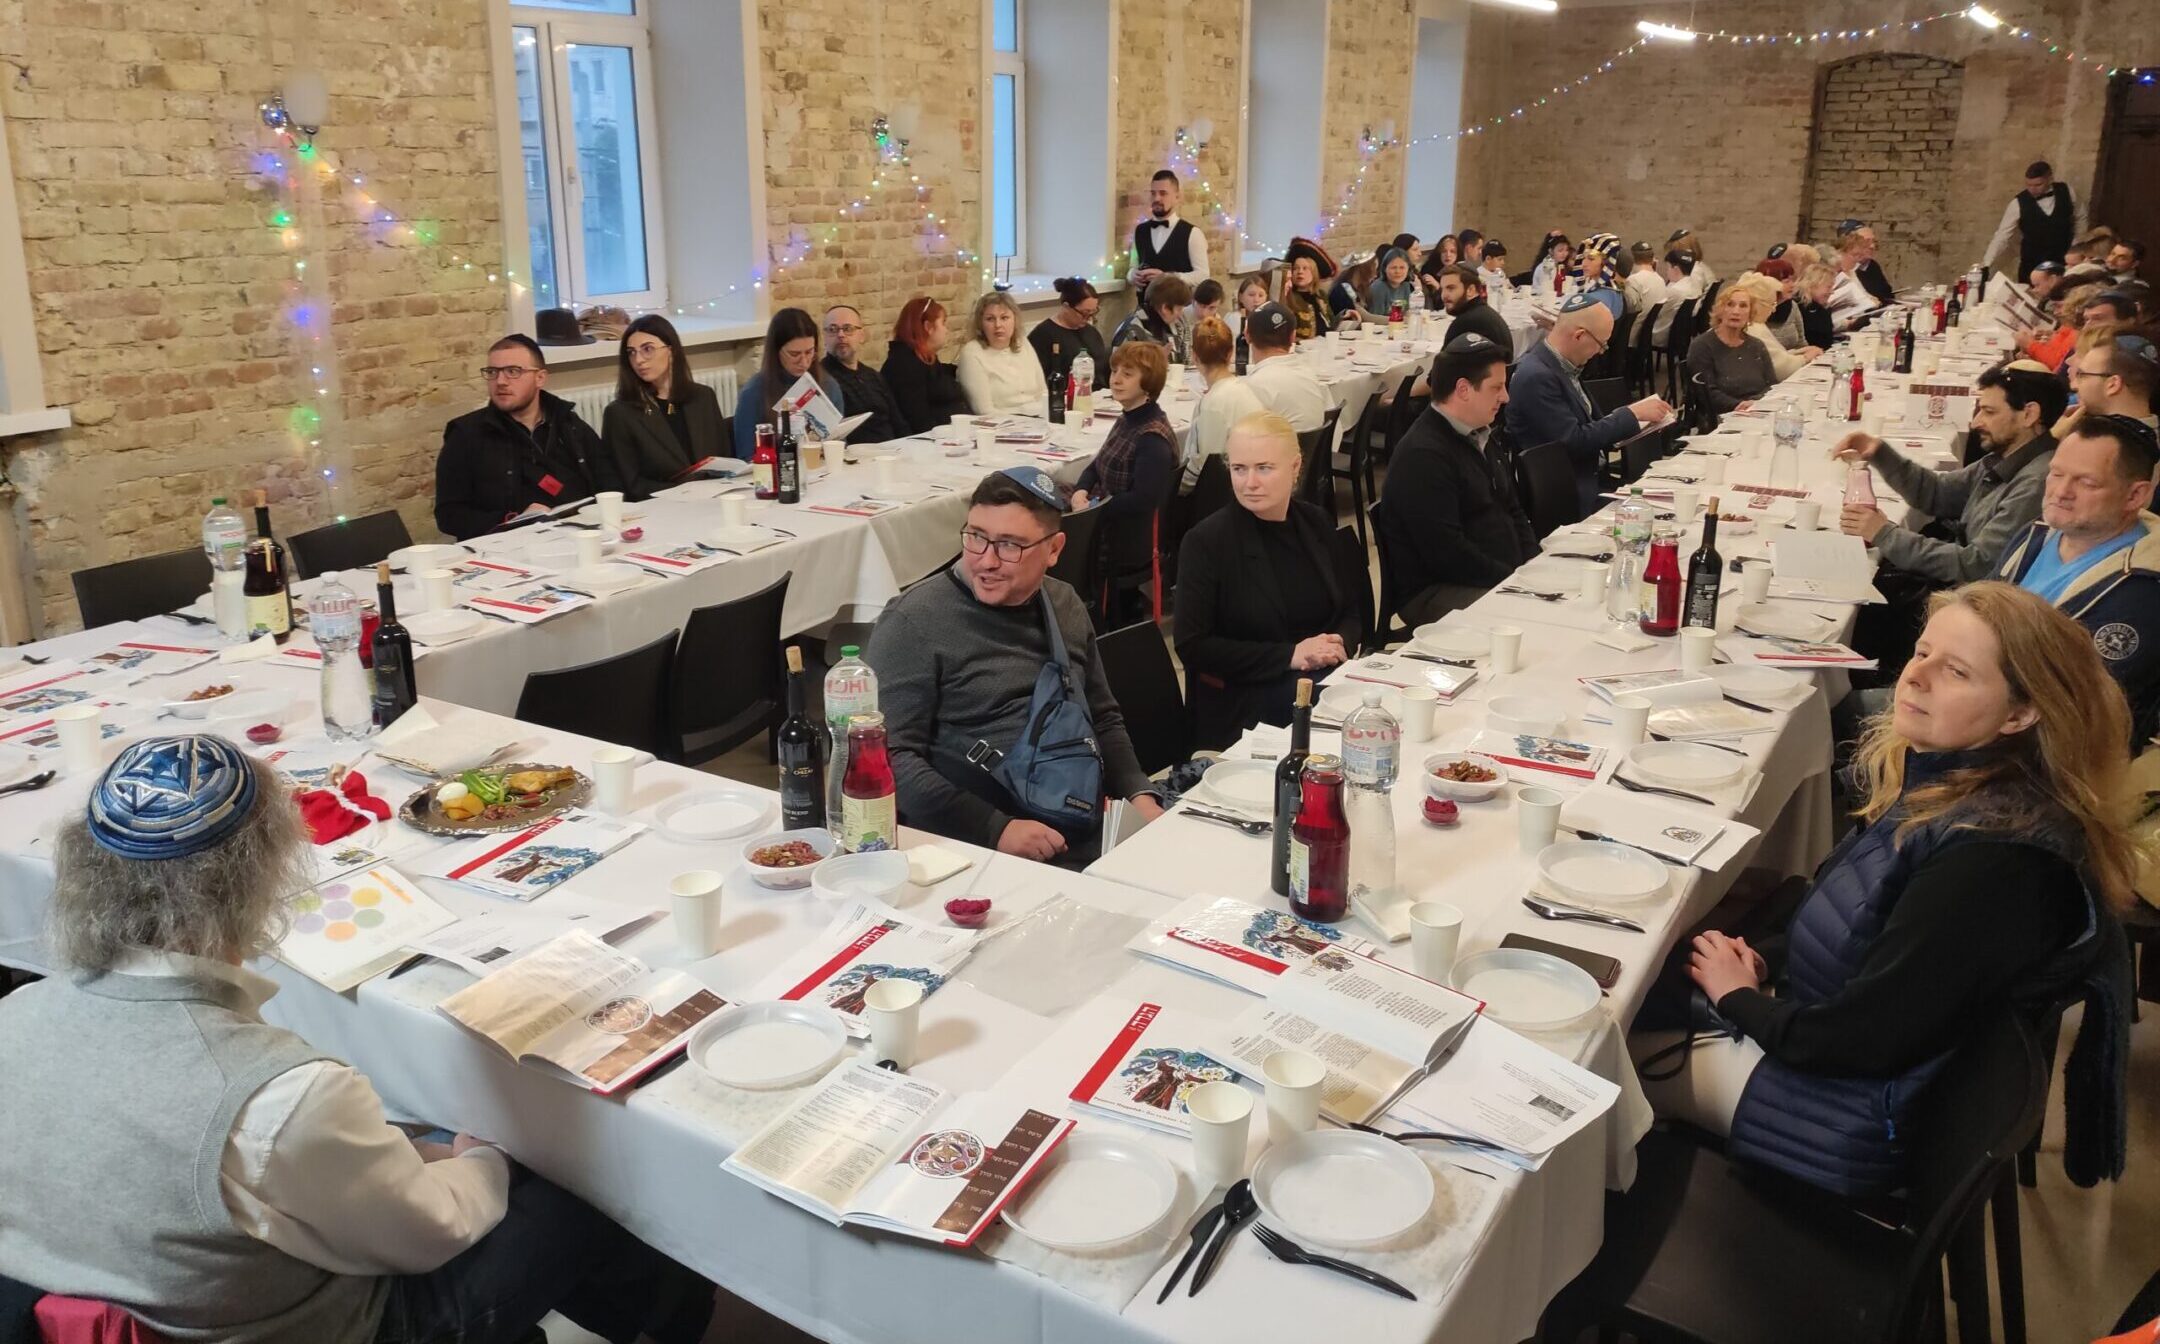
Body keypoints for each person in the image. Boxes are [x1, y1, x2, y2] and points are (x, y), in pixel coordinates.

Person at [0, 735, 716, 1344]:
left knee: (438, 1143)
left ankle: (642, 1307)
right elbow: (434, 1229)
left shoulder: (17, 1017)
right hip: (320, 1325)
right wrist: (486, 1157)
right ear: (263, 874)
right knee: (584, 1172)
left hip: (122, 1295)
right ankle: (674, 1316)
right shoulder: (279, 1097)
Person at [1639, 583, 2130, 1199]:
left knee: (1602, 1058)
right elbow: (1861, 923)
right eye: (1921, 652)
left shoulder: (1996, 863)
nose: (1916, 677)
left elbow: (1859, 1040)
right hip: (1846, 1056)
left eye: (1954, 671)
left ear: (2020, 714)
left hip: (1854, 1118)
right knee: (1642, 980)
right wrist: (1772, 959)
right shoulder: (1956, 789)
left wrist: (1740, 998)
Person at [863, 468, 1164, 865]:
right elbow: (887, 758)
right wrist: (995, 829)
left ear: (1054, 549)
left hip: (1080, 824)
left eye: (1009, 545)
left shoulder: (1064, 604)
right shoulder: (913, 622)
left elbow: (1102, 718)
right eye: (975, 537)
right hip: (973, 847)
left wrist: (1139, 795)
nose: (985, 561)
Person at [1174, 412, 1358, 749]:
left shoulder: (1315, 523)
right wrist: (1291, 655)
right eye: (1239, 469)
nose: (1250, 483)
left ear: (1295, 467)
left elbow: (1351, 609)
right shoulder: (1207, 542)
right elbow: (1193, 645)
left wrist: (1337, 643)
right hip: (1244, 699)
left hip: (1316, 679)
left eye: (1264, 468)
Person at [1998, 416, 2160, 746]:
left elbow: (2070, 710)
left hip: (2036, 754)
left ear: (2135, 496)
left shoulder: (2143, 591)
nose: (2061, 492)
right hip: (1980, 705)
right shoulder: (2037, 535)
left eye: (2086, 483)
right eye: (2056, 474)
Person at [1835, 361, 2067, 585]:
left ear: (2029, 414)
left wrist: (1884, 534)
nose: (1976, 423)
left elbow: (1975, 565)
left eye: (1988, 411)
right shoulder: (2007, 456)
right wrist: (1879, 453)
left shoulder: (2037, 482)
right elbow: (1938, 493)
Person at [1373, 332, 1536, 623]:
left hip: (1493, 573)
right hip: (1436, 590)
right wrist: (1515, 580)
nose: (1506, 397)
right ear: (1463, 389)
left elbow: (1513, 509)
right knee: (1531, 618)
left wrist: (1535, 565)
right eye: (1496, 387)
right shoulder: (1423, 457)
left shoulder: (1480, 433)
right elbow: (1447, 554)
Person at [435, 335, 618, 540]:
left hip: (578, 535)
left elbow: (609, 483)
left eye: (513, 372)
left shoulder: (569, 424)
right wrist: (513, 519)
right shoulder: (466, 434)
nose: (501, 381)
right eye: (492, 372)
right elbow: (448, 515)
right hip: (505, 545)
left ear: (540, 378)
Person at [1512, 294, 1672, 516]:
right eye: (1602, 344)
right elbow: (1573, 441)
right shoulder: (1536, 377)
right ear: (1579, 336)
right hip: (1568, 494)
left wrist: (1641, 424)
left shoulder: (1564, 366)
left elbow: (1591, 426)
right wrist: (1630, 415)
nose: (1601, 352)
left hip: (1593, 479)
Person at [1071, 342, 1178, 586]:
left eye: (1127, 374)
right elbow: (1098, 463)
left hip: (1123, 536)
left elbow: (1141, 501)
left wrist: (1093, 507)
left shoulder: (1152, 438)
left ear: (1148, 383)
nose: (1116, 379)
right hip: (1106, 513)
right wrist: (1080, 490)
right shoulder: (1129, 417)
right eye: (1114, 371)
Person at [600, 315, 729, 501]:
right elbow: (631, 485)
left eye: (647, 349)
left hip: (713, 499)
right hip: (660, 507)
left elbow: (723, 459)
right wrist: (686, 493)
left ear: (671, 350)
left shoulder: (703, 397)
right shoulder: (620, 413)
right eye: (631, 352)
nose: (638, 360)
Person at [732, 307, 842, 459]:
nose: (804, 362)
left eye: (809, 352)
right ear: (776, 352)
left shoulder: (828, 385)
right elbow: (746, 457)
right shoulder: (754, 392)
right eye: (794, 354)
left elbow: (840, 444)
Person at [1180, 316, 1265, 493]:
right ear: (1230, 353)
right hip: (1250, 484)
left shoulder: (1212, 405)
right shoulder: (1247, 390)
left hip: (1222, 497)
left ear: (1194, 356)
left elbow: (1203, 468)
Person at [881, 296, 971, 435]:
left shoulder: (925, 359)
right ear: (928, 327)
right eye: (943, 323)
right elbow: (919, 421)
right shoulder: (904, 365)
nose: (946, 330)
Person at [819, 305, 905, 445]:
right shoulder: (822, 379)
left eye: (848, 329)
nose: (841, 335)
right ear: (824, 337)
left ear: (862, 335)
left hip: (891, 453)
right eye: (832, 330)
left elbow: (898, 422)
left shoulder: (874, 376)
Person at [1687, 288, 1779, 418]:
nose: (1736, 311)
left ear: (1750, 314)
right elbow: (1706, 393)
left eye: (1743, 306)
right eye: (1730, 304)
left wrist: (1756, 404)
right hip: (1722, 416)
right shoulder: (1702, 346)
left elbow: (1772, 385)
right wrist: (1739, 405)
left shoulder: (1757, 346)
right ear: (1720, 310)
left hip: (1758, 412)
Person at [956, 290, 1050, 417]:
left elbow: (1043, 393)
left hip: (1039, 418)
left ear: (1014, 320)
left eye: (1004, 318)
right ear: (980, 324)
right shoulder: (972, 353)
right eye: (990, 319)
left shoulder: (1022, 342)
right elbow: (984, 411)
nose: (998, 325)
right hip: (1001, 425)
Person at [1982, 160, 2081, 279]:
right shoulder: (2018, 203)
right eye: (2028, 185)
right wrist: (1986, 264)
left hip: (2063, 261)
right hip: (2032, 265)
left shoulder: (2067, 192)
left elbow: (2081, 218)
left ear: (2050, 179)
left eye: (2038, 185)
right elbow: (2002, 235)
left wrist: (2076, 245)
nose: (2032, 189)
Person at [1241, 302, 1328, 433]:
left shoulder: (1253, 387)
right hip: (1315, 452)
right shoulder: (1309, 375)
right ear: (1293, 336)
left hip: (1275, 452)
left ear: (1247, 335)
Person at [2061, 335, 2160, 437]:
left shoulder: (2105, 445)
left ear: (2113, 385)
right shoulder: (2145, 437)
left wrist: (2051, 439)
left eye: (2081, 375)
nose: (2074, 385)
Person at [1727, 273, 1821, 379]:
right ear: (1760, 304)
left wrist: (1799, 352)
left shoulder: (1755, 325)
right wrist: (1805, 358)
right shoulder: (1752, 328)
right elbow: (1779, 368)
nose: (1773, 309)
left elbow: (1773, 356)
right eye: (1772, 304)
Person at [1029, 278, 1110, 398]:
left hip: (1098, 396)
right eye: (1084, 313)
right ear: (1066, 306)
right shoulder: (1043, 335)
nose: (1088, 318)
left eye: (1093, 313)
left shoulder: (1091, 332)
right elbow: (1038, 378)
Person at [1132, 168, 1210, 289]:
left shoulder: (1192, 233)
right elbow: (1133, 266)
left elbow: (1203, 276)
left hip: (1179, 307)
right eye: (1153, 193)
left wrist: (1169, 278)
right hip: (1145, 305)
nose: (1157, 198)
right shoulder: (1140, 231)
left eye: (1163, 193)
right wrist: (1132, 275)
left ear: (1177, 197)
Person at [1109, 275, 1194, 363]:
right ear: (1165, 308)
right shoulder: (1129, 331)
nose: (1180, 315)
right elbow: (1119, 371)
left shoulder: (1178, 324)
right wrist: (1155, 363)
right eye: (1179, 309)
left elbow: (1187, 362)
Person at [1436, 263, 1513, 359]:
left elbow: (1441, 369)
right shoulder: (1486, 313)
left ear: (1470, 290)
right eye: (1442, 289)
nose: (1444, 295)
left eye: (1451, 288)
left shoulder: (1465, 323)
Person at [1280, 239, 1337, 341]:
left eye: (1305, 268)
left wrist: (1344, 316)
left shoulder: (1321, 296)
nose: (1300, 272)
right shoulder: (1288, 297)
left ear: (1314, 273)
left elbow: (1330, 324)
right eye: (1296, 268)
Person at [1651, 250, 1704, 349]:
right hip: (1680, 335)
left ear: (1675, 269)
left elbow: (1656, 312)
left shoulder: (1675, 291)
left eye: (1668, 268)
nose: (1666, 272)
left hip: (1661, 335)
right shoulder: (1693, 287)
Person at [1755, 257, 1806, 350]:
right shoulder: (1755, 310)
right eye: (1786, 281)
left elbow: (1801, 343)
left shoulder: (1792, 306)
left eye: (1792, 280)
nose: (1792, 285)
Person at [1795, 262, 1840, 349]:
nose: (1832, 292)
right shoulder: (1796, 307)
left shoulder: (1823, 308)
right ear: (1812, 285)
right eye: (1829, 287)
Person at [1849, 223, 1896, 305]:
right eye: (1867, 242)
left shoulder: (1872, 266)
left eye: (1874, 241)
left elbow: (1887, 294)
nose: (1872, 246)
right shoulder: (1845, 268)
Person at [1366, 246, 1417, 318]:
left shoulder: (1406, 286)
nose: (1398, 271)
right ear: (1384, 269)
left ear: (1408, 269)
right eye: (1393, 267)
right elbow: (1376, 318)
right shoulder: (1378, 288)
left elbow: (1406, 313)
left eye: (1402, 267)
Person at [1328, 252, 1378, 324]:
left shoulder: (1362, 290)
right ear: (1363, 269)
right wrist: (1395, 320)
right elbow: (1365, 318)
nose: (1375, 273)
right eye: (1373, 267)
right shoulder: (1342, 291)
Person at [1624, 240, 1668, 319]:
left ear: (1632, 259)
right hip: (1652, 329)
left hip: (1634, 329)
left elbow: (1627, 311)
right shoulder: (1660, 280)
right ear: (1652, 259)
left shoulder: (1633, 280)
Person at [1228, 274, 1268, 340]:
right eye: (1251, 295)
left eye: (1261, 295)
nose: (1256, 300)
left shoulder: (1267, 319)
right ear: (1240, 297)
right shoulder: (1234, 318)